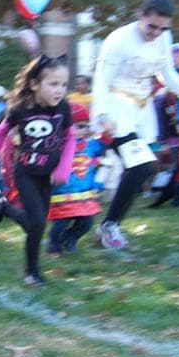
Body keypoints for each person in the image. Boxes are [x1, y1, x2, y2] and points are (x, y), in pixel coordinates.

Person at [89, 0, 179, 249]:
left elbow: (167, 72)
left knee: (142, 167)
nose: (156, 33)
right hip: (116, 110)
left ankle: (109, 226)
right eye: (152, 26)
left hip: (142, 110)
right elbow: (101, 79)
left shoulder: (163, 37)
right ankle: (109, 227)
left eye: (163, 28)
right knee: (140, 166)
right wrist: (102, 116)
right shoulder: (118, 40)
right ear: (141, 15)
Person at [0, 55, 76, 285]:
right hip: (25, 172)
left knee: (36, 224)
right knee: (37, 223)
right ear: (35, 84)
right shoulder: (21, 109)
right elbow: (0, 133)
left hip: (48, 176)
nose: (60, 90)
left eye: (63, 85)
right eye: (53, 84)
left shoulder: (63, 108)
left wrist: (64, 167)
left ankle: (3, 206)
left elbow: (71, 136)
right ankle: (32, 273)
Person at [46, 103, 106, 253]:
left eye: (85, 126)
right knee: (60, 223)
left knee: (87, 222)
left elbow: (106, 142)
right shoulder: (56, 146)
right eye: (78, 126)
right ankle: (54, 247)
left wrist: (108, 127)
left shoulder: (91, 145)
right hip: (62, 194)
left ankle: (70, 238)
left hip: (85, 194)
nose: (82, 130)